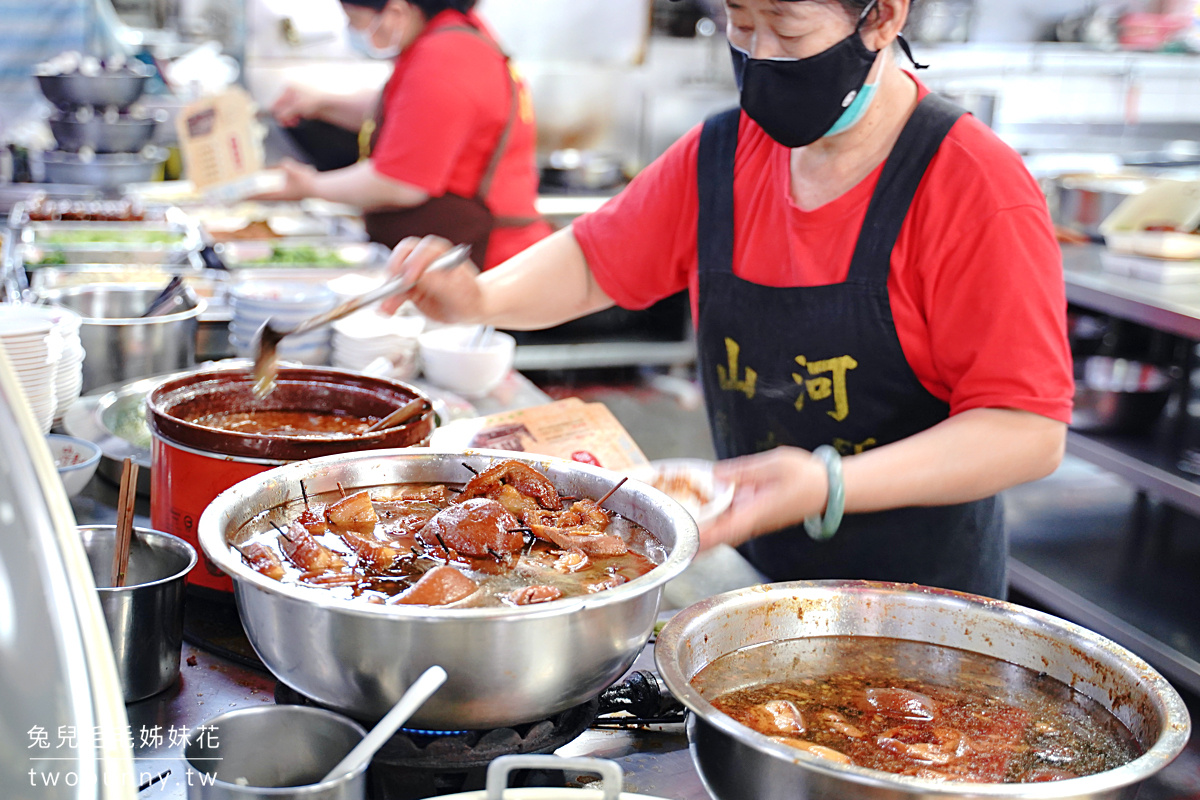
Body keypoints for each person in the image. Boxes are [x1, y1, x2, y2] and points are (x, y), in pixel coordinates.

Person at [383, 0, 1074, 599]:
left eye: (789, 29)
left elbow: (1028, 431)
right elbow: (595, 264)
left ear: (883, 16)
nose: (761, 54)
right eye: (740, 26)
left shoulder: (973, 184)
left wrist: (829, 485)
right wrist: (476, 298)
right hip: (757, 578)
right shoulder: (722, 153)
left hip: (917, 606)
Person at [262, 0, 551, 270]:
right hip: (463, 250)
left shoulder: (445, 56)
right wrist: (324, 103)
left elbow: (399, 184)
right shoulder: (455, 33)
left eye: (355, 20)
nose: (353, 31)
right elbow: (414, 115)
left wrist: (310, 186)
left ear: (397, 12)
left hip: (481, 258)